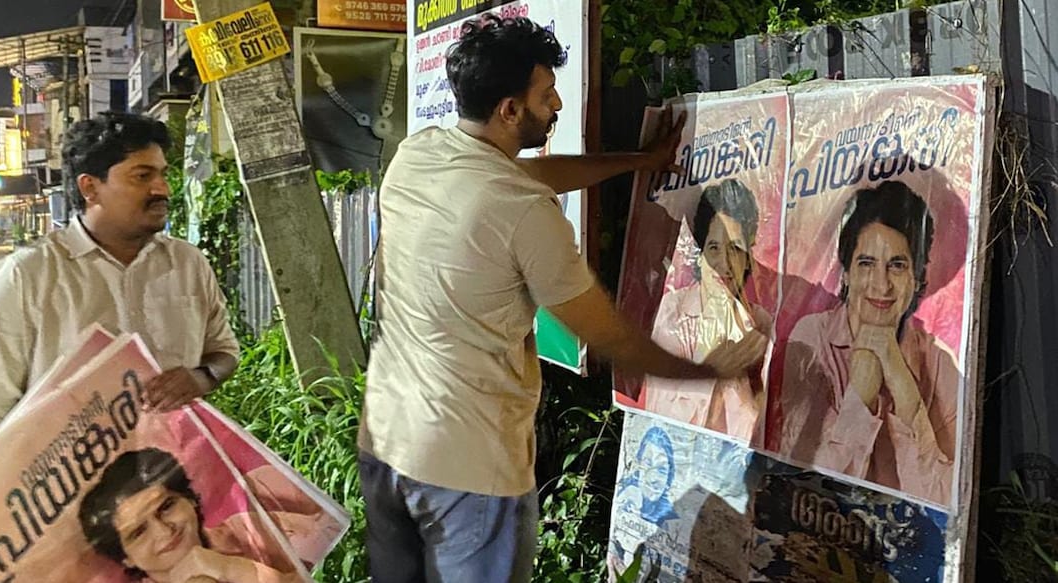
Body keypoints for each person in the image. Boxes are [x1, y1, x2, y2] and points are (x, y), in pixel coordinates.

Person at [357, 14, 767, 583]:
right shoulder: (523, 213)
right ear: (508, 110)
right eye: (546, 96)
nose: (557, 107)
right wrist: (702, 368)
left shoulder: (418, 156)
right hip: (468, 468)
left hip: (387, 446)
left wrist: (637, 162)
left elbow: (533, 174)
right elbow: (606, 333)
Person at [0, 112, 240, 445]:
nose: (162, 188)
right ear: (90, 187)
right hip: (65, 486)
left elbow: (224, 353)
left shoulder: (188, 263)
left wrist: (200, 378)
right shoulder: (27, 275)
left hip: (176, 474)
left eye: (163, 174)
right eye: (142, 176)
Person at [779, 180, 958, 506]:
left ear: (916, 277)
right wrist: (861, 390)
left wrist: (902, 382)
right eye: (866, 263)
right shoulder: (811, 339)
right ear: (845, 272)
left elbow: (948, 502)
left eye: (897, 265)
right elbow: (807, 482)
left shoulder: (938, 362)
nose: (881, 284)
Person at [644, 179, 772, 442]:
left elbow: (765, 425)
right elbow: (659, 413)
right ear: (700, 253)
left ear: (749, 255)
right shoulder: (675, 311)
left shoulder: (761, 323)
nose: (724, 263)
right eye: (714, 247)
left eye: (735, 248)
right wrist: (713, 369)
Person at [79, 448, 301, 583]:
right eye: (139, 532)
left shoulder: (246, 528)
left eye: (166, 507)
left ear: (190, 499)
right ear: (124, 557)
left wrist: (230, 568)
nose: (164, 531)